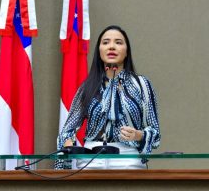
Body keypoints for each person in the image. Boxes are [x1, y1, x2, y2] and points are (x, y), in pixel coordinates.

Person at [55, 25, 160, 169]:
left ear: (127, 51)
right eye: (105, 42)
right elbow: (67, 131)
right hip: (91, 158)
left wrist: (139, 135)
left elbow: (155, 133)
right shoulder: (87, 86)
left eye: (118, 42)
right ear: (99, 51)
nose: (111, 47)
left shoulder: (142, 85)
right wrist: (68, 142)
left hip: (128, 158)